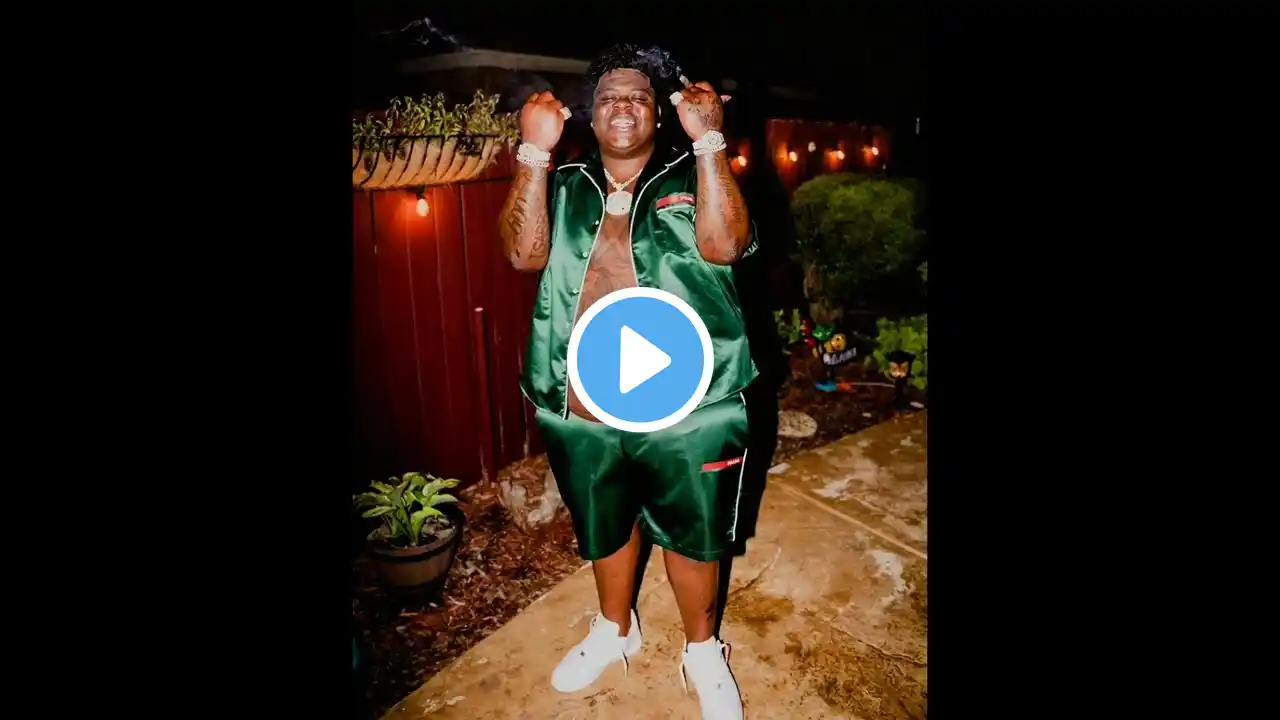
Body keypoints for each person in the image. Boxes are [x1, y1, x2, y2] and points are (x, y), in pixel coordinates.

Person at [498, 44, 755, 719]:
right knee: (604, 523)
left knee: (695, 531)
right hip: (581, 397)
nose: (622, 105)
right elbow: (522, 254)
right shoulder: (564, 181)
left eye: (637, 96)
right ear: (589, 112)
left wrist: (710, 142)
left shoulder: (692, 172)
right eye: (608, 95)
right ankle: (616, 629)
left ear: (657, 114)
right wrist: (533, 152)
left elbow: (726, 245)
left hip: (690, 398)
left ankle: (703, 650)